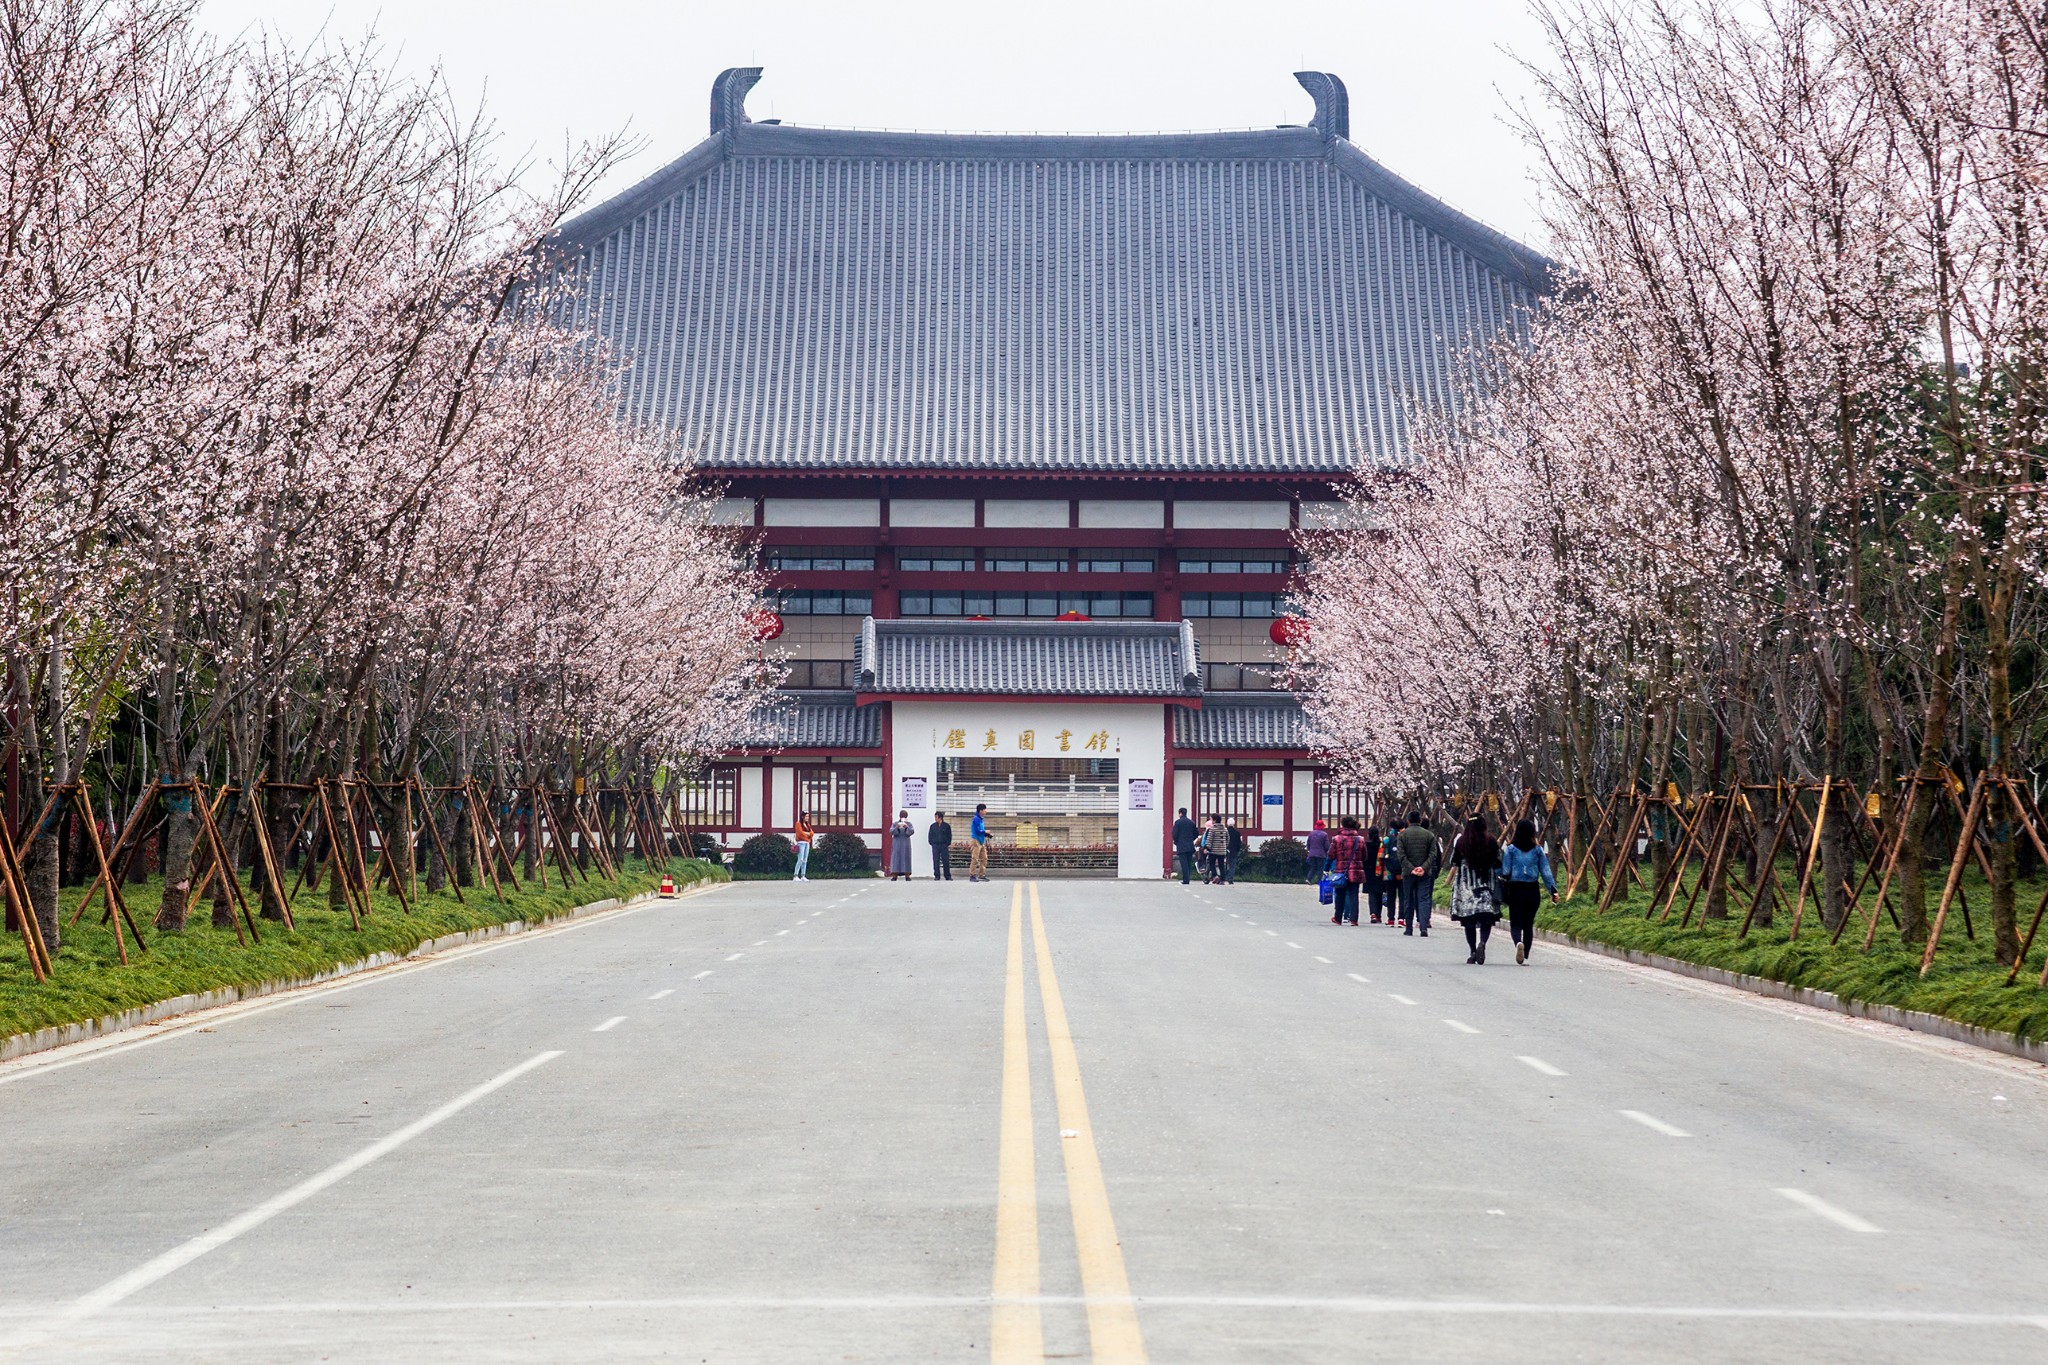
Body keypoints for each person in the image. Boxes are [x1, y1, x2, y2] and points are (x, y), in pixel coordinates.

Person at [1498, 817, 1558, 963]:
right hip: (1532, 891)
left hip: (1515, 890)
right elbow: (1546, 872)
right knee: (1528, 924)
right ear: (1532, 832)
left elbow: (1505, 871)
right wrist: (1553, 891)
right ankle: (1525, 956)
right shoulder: (1538, 850)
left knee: (1516, 923)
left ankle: (1518, 943)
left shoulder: (1511, 850)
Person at [1449, 815, 1502, 964]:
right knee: (1486, 919)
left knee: (1468, 921)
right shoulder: (1491, 841)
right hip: (1486, 885)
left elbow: (1453, 861)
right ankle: (1483, 943)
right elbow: (1498, 861)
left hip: (1466, 887)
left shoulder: (1461, 842)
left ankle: (1472, 951)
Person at [1393, 810, 1439, 936]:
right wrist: (1423, 868)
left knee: (1408, 899)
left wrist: (1411, 868)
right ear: (1420, 821)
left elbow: (1401, 855)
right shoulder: (1429, 835)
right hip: (1425, 873)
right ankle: (1423, 927)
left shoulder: (1402, 835)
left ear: (1408, 821)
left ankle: (1409, 928)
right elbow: (1432, 854)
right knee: (1423, 899)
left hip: (1408, 873)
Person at [1327, 816, 1366, 925]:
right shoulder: (1360, 839)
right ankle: (1354, 919)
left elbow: (1331, 855)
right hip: (1356, 872)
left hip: (1340, 871)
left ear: (1342, 825)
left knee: (1340, 894)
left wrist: (1327, 868)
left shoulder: (1337, 839)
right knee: (1354, 895)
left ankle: (1338, 918)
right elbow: (1364, 856)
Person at [1362, 825, 1390, 923]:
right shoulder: (1382, 845)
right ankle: (1378, 915)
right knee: (1379, 892)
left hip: (1369, 871)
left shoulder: (1366, 845)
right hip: (1380, 871)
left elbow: (1364, 858)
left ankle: (1373, 913)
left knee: (1372, 893)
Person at [1172, 807, 1199, 884]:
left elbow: (1174, 834)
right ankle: (1187, 878)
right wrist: (1191, 839)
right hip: (1190, 845)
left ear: (1180, 813)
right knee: (1188, 863)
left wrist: (1176, 841)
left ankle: (1185, 880)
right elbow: (1196, 834)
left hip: (1181, 845)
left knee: (1184, 863)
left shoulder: (1178, 822)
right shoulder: (1191, 822)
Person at [888, 810, 915, 880]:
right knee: (896, 858)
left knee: (906, 858)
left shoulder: (909, 824)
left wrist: (907, 827)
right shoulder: (895, 823)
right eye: (902, 816)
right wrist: (896, 827)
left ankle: (907, 875)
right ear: (899, 816)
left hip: (906, 844)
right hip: (897, 843)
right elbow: (891, 831)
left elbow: (912, 831)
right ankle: (894, 875)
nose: (903, 817)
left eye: (905, 816)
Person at [1201, 816, 1229, 884]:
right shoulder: (1224, 829)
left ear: (1215, 820)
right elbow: (1228, 839)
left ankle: (1215, 875)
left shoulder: (1212, 829)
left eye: (1211, 819)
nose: (1211, 820)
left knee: (1211, 864)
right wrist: (1225, 846)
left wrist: (1206, 848)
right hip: (1222, 850)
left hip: (1213, 850)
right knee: (1221, 865)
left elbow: (1209, 840)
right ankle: (1222, 880)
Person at [968, 803, 991, 882]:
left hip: (981, 841)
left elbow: (981, 831)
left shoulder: (981, 819)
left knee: (984, 858)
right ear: (980, 811)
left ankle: (981, 874)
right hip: (976, 841)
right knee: (975, 859)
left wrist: (986, 834)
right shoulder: (976, 819)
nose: (985, 811)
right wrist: (985, 831)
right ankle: (972, 875)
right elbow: (978, 831)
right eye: (984, 810)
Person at [928, 811, 953, 881]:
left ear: (940, 818)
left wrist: (947, 843)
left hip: (944, 845)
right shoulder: (933, 826)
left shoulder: (946, 826)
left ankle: (947, 876)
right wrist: (931, 842)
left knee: (945, 861)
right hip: (935, 845)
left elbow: (949, 835)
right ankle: (937, 875)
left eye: (936, 817)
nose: (935, 818)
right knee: (936, 861)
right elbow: (930, 835)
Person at [792, 812, 815, 881]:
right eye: (806, 816)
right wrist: (807, 835)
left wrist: (807, 834)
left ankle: (803, 875)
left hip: (807, 843)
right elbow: (800, 833)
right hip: (801, 843)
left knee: (805, 860)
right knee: (800, 859)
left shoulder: (807, 824)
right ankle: (795, 875)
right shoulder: (798, 823)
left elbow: (812, 833)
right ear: (802, 817)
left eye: (808, 816)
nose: (807, 818)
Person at [1224, 818, 1244, 884]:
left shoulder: (1224, 832)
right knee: (1232, 866)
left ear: (1227, 824)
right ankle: (1230, 879)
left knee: (1223, 864)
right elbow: (1239, 844)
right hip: (1233, 851)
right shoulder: (1237, 833)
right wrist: (1237, 850)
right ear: (1234, 824)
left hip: (1224, 851)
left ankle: (1222, 877)